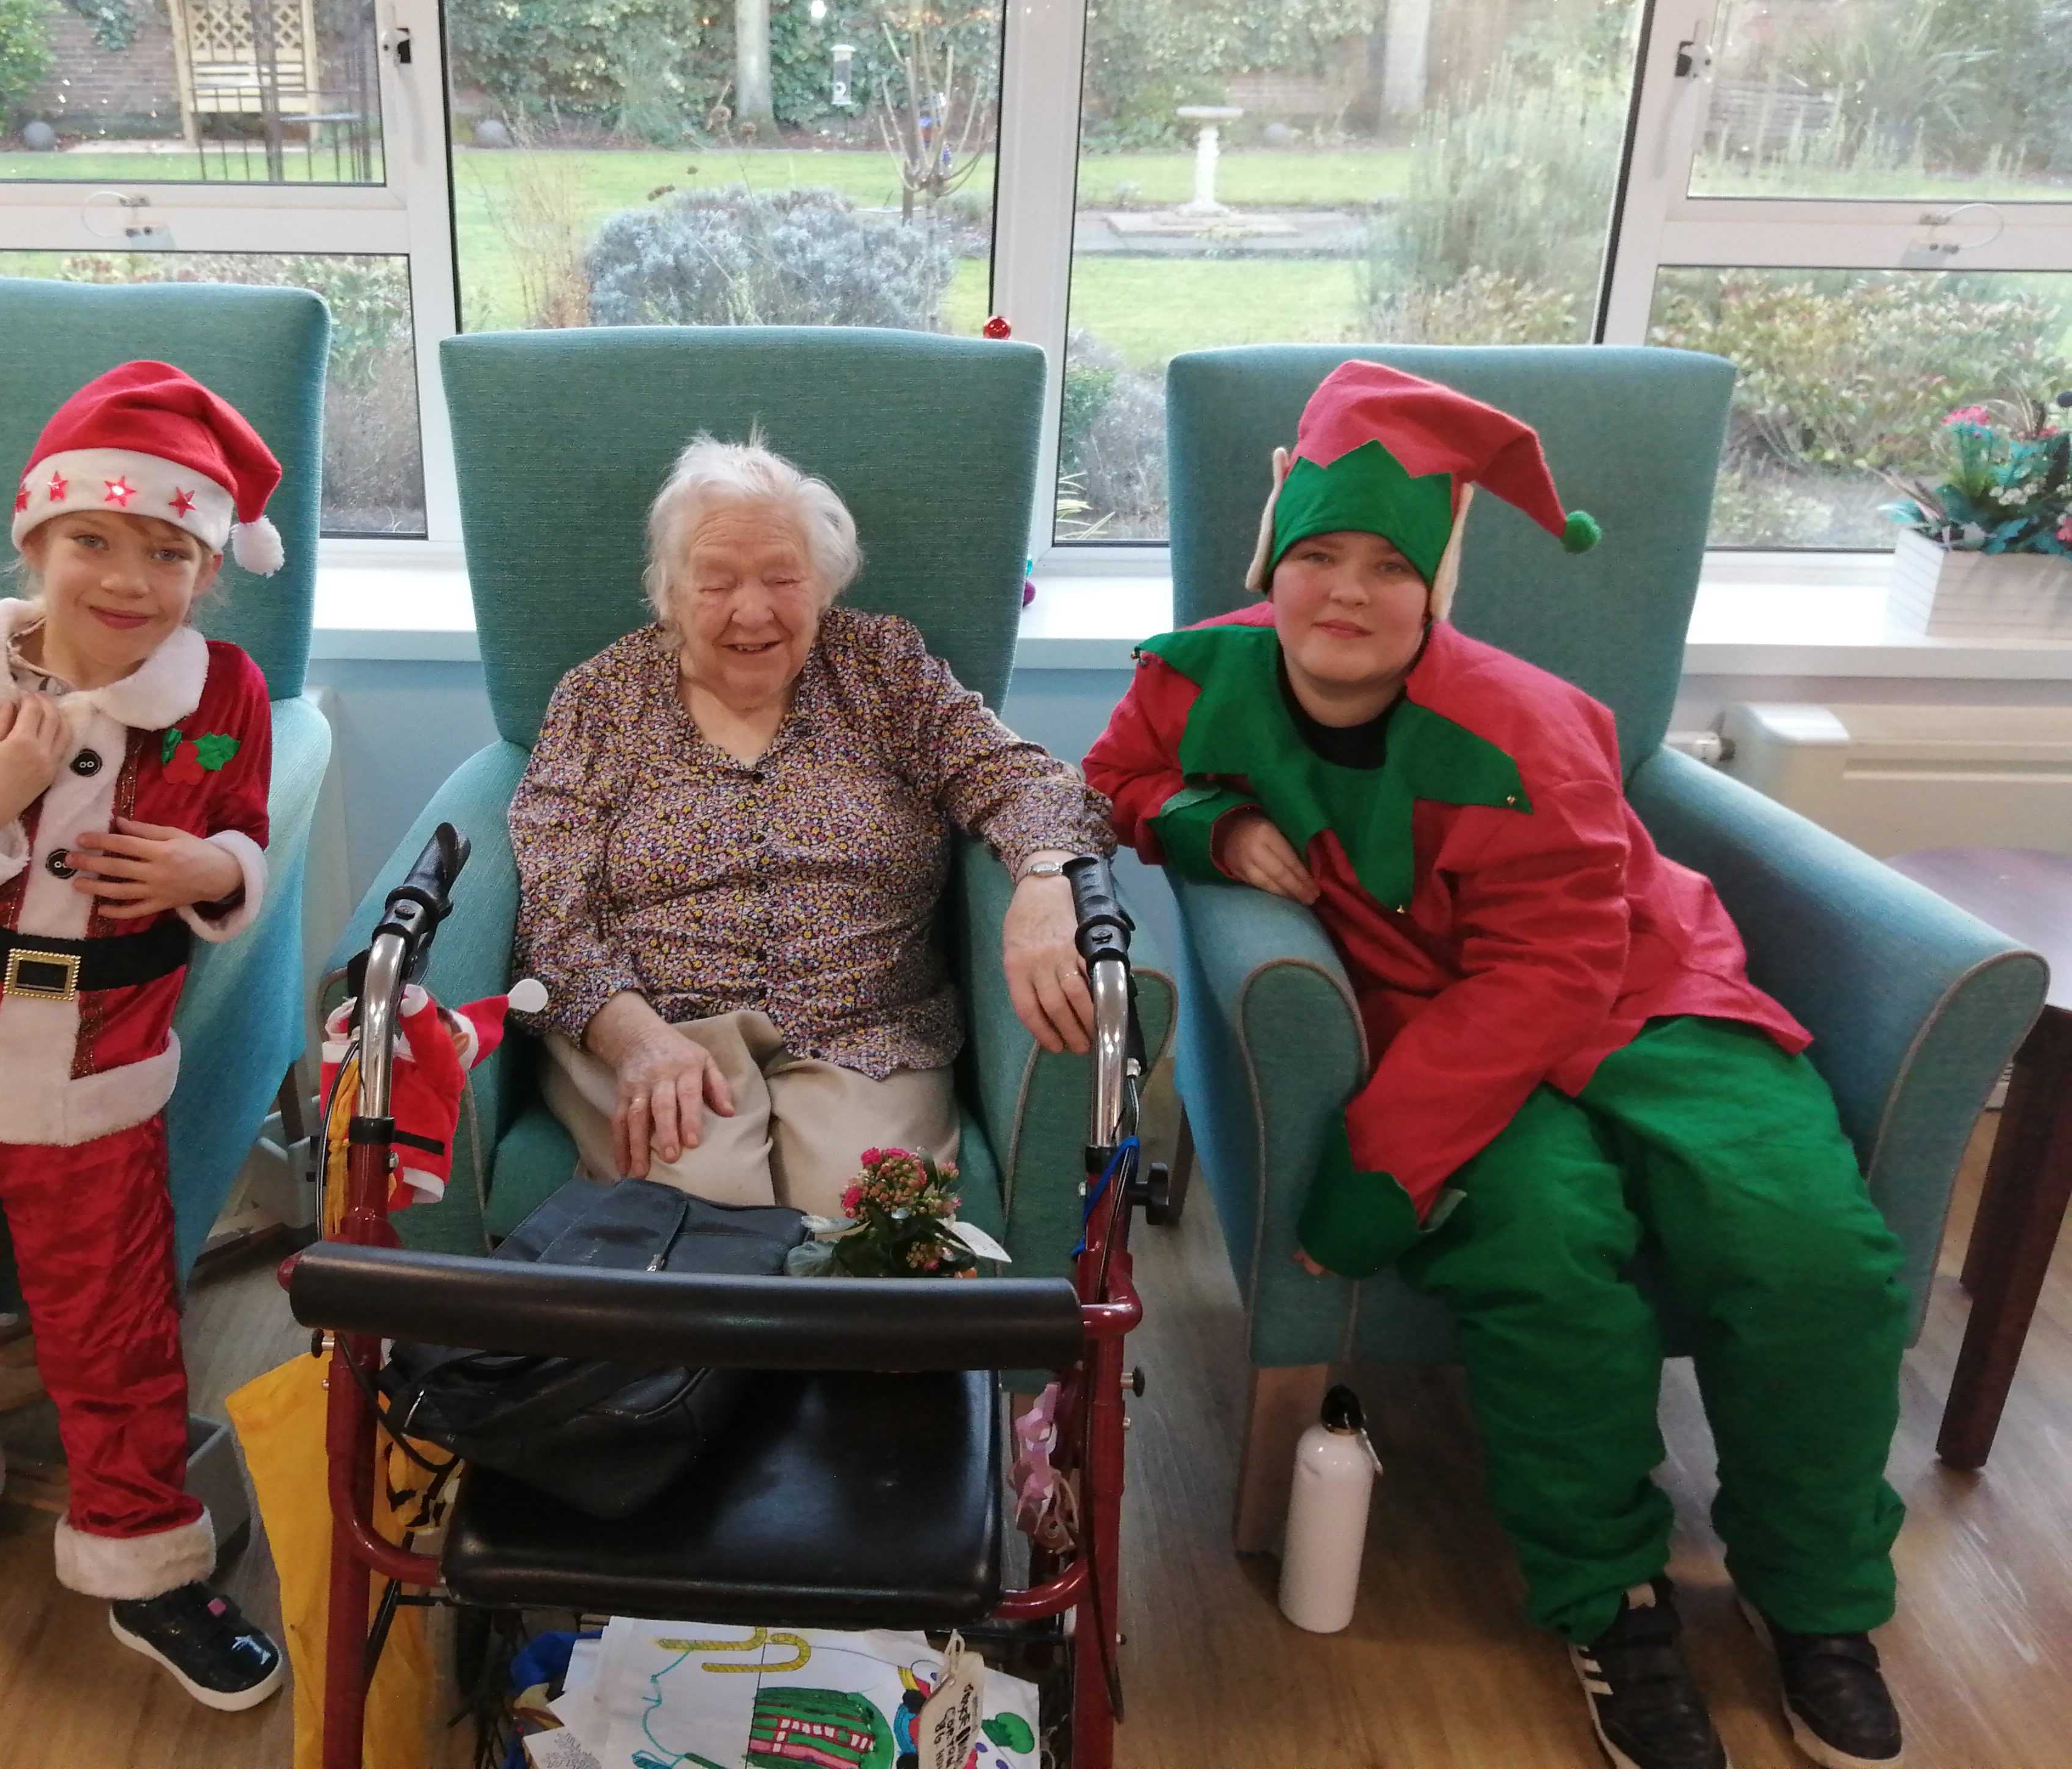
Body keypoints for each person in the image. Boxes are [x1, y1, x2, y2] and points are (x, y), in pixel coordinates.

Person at [1083, 362, 1908, 1769]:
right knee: (1540, 1255)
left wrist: (1384, 1160)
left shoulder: (1528, 729)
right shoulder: (1189, 675)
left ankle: (1817, 1598)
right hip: (1438, 1021)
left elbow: (1553, 969)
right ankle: (1613, 1598)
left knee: (1807, 1254)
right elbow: (1111, 781)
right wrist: (1205, 822)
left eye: (1387, 568)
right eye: (1317, 557)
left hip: (1643, 996)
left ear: (1437, 590)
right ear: (1271, 564)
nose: (1345, 593)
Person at [0, 361, 288, 1710]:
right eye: (92, 540)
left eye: (167, 550)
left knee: (117, 1328)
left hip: (94, 1082)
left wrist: (216, 876)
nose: (126, 578)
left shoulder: (224, 697)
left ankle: (145, 1564)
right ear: (35, 542)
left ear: (207, 570)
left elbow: (241, 826)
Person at [510, 433, 1114, 1217]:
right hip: (657, 1019)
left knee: (863, 1219)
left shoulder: (883, 671)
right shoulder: (602, 698)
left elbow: (1026, 779)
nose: (752, 611)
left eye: (783, 577)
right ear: (667, 590)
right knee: (699, 1209)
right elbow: (552, 907)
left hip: (865, 1028)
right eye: (716, 581)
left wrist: (1043, 881)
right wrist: (634, 1038)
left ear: (825, 586)